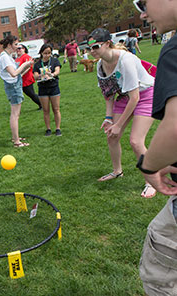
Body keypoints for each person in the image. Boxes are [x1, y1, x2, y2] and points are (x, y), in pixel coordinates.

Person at [131, 1, 177, 294]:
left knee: (160, 279)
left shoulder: (173, 50)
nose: (142, 13)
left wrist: (149, 166)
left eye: (145, 2)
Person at [87, 27, 156, 198]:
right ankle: (117, 171)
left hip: (146, 95)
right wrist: (109, 118)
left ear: (108, 44)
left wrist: (119, 124)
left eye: (96, 46)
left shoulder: (125, 60)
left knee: (135, 141)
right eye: (89, 48)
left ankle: (152, 181)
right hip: (124, 97)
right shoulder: (99, 65)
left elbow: (135, 97)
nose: (92, 51)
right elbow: (109, 94)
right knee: (111, 135)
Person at [0, 35, 33, 147]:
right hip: (13, 86)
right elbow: (14, 73)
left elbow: (17, 74)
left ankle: (15, 137)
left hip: (15, 84)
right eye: (16, 44)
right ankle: (17, 142)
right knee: (15, 114)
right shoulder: (4, 57)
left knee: (16, 114)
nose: (17, 47)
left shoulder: (7, 56)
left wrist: (27, 66)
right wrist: (24, 64)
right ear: (9, 45)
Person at [33, 44, 63, 136]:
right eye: (45, 53)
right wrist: (41, 76)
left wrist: (52, 74)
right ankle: (48, 129)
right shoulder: (37, 64)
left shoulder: (54, 61)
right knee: (46, 110)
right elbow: (35, 76)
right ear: (41, 53)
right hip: (43, 88)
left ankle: (58, 128)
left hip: (53, 87)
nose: (47, 55)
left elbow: (57, 70)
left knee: (56, 109)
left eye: (49, 53)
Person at [15, 43, 42, 110]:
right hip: (21, 80)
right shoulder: (17, 59)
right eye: (16, 49)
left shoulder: (26, 57)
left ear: (24, 49)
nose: (18, 50)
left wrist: (21, 74)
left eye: (19, 48)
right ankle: (42, 103)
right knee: (29, 94)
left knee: (31, 93)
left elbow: (29, 67)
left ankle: (42, 103)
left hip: (27, 79)